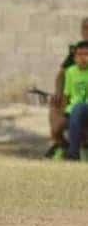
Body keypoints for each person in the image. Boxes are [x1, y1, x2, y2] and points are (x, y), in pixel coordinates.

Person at [45, 17, 88, 158]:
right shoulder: (76, 52)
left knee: (78, 109)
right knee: (55, 106)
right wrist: (58, 92)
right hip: (76, 102)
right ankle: (62, 145)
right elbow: (61, 75)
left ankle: (73, 152)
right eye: (84, 28)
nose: (86, 31)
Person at [64, 41, 88, 161]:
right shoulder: (70, 72)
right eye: (79, 55)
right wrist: (63, 111)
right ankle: (73, 153)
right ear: (74, 57)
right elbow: (66, 95)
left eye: (86, 54)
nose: (82, 58)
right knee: (76, 110)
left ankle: (73, 154)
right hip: (74, 110)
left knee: (78, 108)